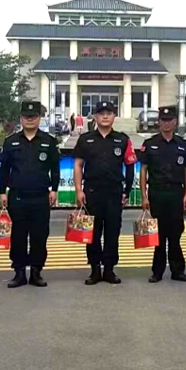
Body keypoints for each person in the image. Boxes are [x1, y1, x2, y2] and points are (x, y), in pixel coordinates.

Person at [74, 100, 136, 286]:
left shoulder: (122, 139)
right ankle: (94, 270)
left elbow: (130, 165)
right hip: (92, 192)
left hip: (114, 193)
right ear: (95, 116)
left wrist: (127, 190)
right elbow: (78, 165)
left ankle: (109, 269)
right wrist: (78, 190)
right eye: (101, 113)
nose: (105, 116)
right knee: (91, 232)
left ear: (114, 116)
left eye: (109, 112)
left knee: (112, 232)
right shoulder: (86, 140)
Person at [0, 101, 60, 288]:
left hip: (40, 196)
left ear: (39, 119)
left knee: (39, 236)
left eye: (33, 117)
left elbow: (54, 169)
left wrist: (55, 189)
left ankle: (36, 271)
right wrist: (2, 192)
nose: (30, 120)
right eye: (26, 117)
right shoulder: (11, 142)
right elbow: (4, 170)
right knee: (18, 235)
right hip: (17, 196)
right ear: (21, 119)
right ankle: (18, 273)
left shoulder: (48, 141)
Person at [139, 106, 186, 283]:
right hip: (157, 192)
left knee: (176, 233)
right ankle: (157, 271)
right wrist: (144, 196)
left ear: (175, 122)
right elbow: (143, 171)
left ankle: (178, 271)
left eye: (170, 120)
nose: (167, 123)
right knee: (159, 234)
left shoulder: (183, 145)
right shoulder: (150, 144)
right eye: (163, 120)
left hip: (176, 193)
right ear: (159, 122)